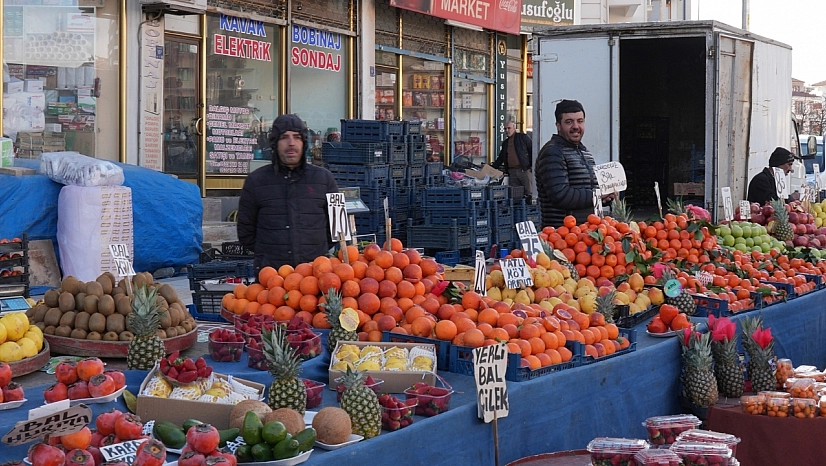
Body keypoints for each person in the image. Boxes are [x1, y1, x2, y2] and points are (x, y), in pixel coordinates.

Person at [237, 114, 339, 273]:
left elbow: (339, 227)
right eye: (284, 137)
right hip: (270, 278)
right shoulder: (255, 181)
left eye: (297, 137)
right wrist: (268, 255)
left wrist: (315, 251)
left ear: (304, 142)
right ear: (275, 143)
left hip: (315, 277)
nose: (291, 143)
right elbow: (245, 233)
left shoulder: (326, 179)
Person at [534, 99, 614, 228]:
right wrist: (597, 194)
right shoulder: (552, 152)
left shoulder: (584, 152)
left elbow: (587, 192)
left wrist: (604, 198)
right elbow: (561, 195)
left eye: (580, 121)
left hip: (586, 233)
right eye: (569, 122)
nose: (576, 126)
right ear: (558, 125)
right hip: (562, 236)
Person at [491, 120, 533, 199]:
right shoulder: (505, 143)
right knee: (515, 195)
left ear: (514, 128)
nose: (507, 130)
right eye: (505, 129)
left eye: (509, 128)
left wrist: (531, 165)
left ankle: (529, 209)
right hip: (512, 172)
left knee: (529, 192)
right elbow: (501, 158)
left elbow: (532, 150)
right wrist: (492, 168)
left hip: (524, 170)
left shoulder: (522, 137)